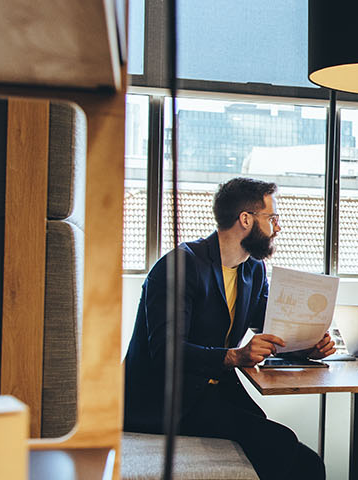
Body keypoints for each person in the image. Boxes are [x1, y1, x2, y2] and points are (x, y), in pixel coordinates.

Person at [123, 177, 335, 479]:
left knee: (307, 463)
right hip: (166, 403)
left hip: (213, 394)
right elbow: (166, 353)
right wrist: (235, 357)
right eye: (272, 218)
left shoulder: (253, 268)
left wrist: (309, 344)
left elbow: (271, 325)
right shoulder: (180, 267)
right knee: (285, 449)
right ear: (246, 219)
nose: (278, 227)